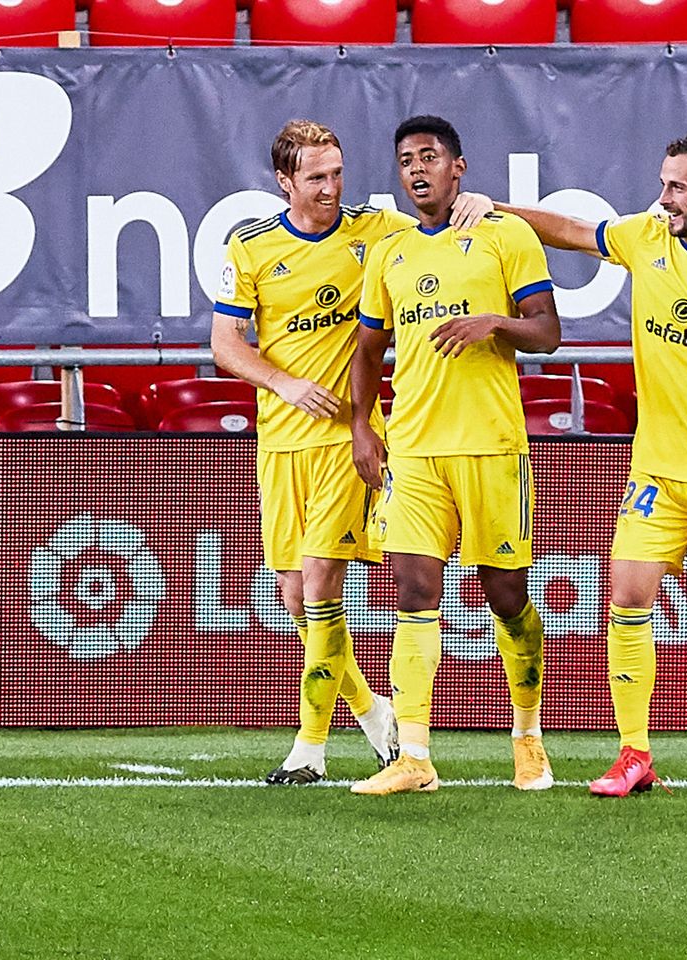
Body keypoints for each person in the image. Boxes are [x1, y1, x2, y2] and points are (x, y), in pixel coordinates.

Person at [494, 134, 687, 801]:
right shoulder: (647, 236)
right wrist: (490, 208)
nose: (662, 197)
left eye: (676, 187)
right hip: (657, 472)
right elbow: (576, 230)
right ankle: (634, 754)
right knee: (626, 597)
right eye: (663, 183)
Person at [210, 119, 487, 785]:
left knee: (317, 585)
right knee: (293, 598)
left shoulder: (377, 230)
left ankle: (308, 749)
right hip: (279, 442)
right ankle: (369, 710)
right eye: (316, 177)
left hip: (345, 440)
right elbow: (225, 344)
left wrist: (478, 205)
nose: (333, 186)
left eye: (337, 172)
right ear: (284, 182)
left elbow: (440, 215)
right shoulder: (249, 247)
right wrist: (284, 383)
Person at [347, 115, 561, 796]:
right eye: (406, 159)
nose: (417, 170)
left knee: (506, 596)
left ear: (457, 168)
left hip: (492, 447)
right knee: (414, 591)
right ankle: (413, 755)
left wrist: (496, 322)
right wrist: (362, 424)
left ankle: (527, 736)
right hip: (413, 448)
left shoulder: (505, 235)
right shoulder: (390, 252)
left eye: (430, 157)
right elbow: (368, 348)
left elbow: (548, 333)